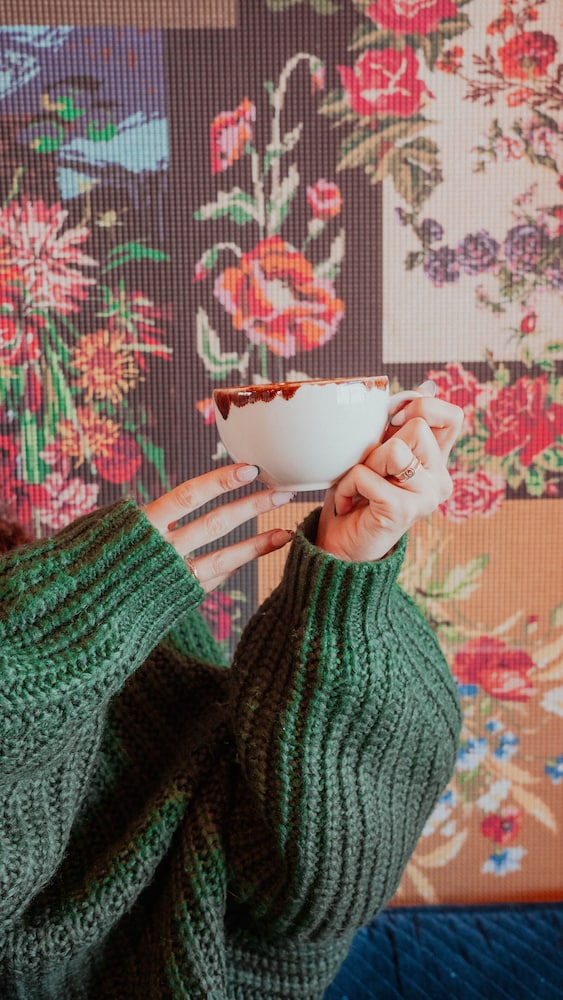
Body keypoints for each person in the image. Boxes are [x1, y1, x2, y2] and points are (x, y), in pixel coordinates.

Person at [0, 387, 464, 999]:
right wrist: (31, 641)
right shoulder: (67, 602)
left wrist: (342, 589)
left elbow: (310, 890)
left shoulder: (95, 600)